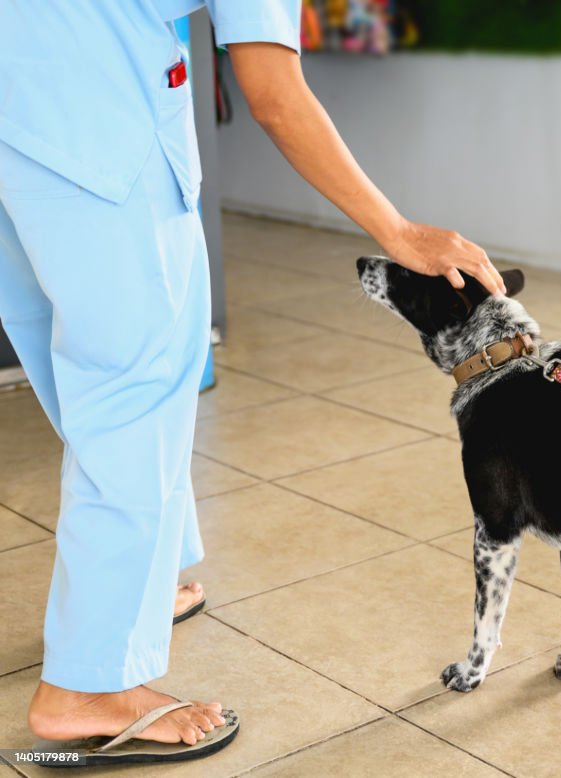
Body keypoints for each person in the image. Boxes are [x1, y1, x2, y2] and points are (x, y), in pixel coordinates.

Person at [0, 1, 504, 766]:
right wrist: (399, 233)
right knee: (134, 387)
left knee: (73, 355)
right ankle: (90, 687)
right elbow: (271, 91)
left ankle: (136, 583)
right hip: (92, 125)